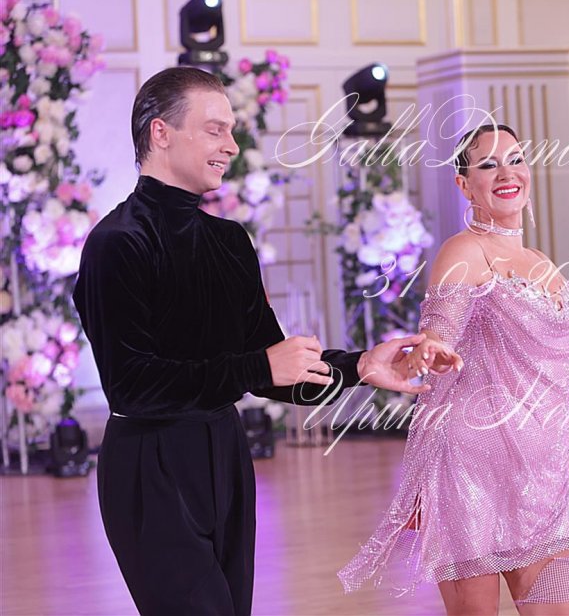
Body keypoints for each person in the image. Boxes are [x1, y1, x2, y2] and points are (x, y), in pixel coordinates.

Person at [72, 66, 441, 616]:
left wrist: (361, 366)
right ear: (160, 133)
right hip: (151, 466)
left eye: (231, 130)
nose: (232, 145)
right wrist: (257, 369)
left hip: (225, 454)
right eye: (215, 129)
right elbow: (132, 388)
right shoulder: (116, 243)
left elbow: (273, 371)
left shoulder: (228, 241)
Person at [337, 124, 569, 614]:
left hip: (541, 478)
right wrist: (428, 349)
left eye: (515, 159)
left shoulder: (540, 263)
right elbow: (437, 333)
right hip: (470, 470)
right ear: (464, 184)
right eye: (488, 165)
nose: (506, 173)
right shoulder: (464, 251)